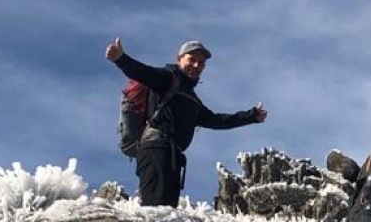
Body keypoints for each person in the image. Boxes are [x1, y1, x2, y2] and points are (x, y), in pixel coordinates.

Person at [105, 36, 267, 207]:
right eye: (192, 60)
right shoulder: (167, 78)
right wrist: (120, 59)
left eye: (201, 63)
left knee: (167, 210)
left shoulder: (192, 99)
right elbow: (142, 72)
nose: (196, 65)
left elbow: (216, 120)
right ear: (179, 59)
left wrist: (251, 116)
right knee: (155, 208)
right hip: (155, 149)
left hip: (173, 155)